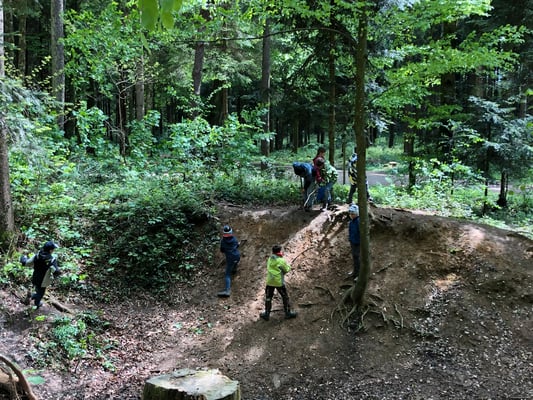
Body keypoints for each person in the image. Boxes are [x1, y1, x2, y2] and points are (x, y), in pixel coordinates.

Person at [260, 245, 297, 321]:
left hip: (270, 281)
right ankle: (287, 313)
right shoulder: (281, 260)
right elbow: (286, 270)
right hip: (279, 282)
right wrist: (289, 266)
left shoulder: (270, 259)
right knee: (285, 297)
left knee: (268, 297)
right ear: (279, 251)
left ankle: (267, 314)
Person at [20, 241, 61, 308]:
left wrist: (23, 258)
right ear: (50, 250)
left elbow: (27, 263)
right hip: (43, 280)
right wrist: (58, 273)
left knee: (37, 289)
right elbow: (56, 271)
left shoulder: (38, 255)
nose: (53, 250)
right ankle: (35, 300)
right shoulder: (51, 260)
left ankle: (32, 299)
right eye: (53, 249)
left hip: (35, 277)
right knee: (41, 293)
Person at [217, 225, 240, 297]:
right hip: (237, 256)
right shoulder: (234, 239)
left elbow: (222, 250)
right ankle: (234, 269)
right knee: (235, 261)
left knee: (227, 275)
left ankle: (227, 291)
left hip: (230, 258)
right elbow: (237, 246)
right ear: (231, 232)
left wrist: (227, 249)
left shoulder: (223, 242)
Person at [348, 205, 361, 280]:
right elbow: (350, 232)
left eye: (353, 214)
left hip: (358, 243)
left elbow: (361, 233)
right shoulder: (351, 222)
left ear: (357, 213)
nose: (351, 215)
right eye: (350, 213)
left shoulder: (359, 221)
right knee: (355, 258)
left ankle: (359, 274)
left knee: (358, 258)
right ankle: (355, 272)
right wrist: (350, 239)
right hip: (353, 242)